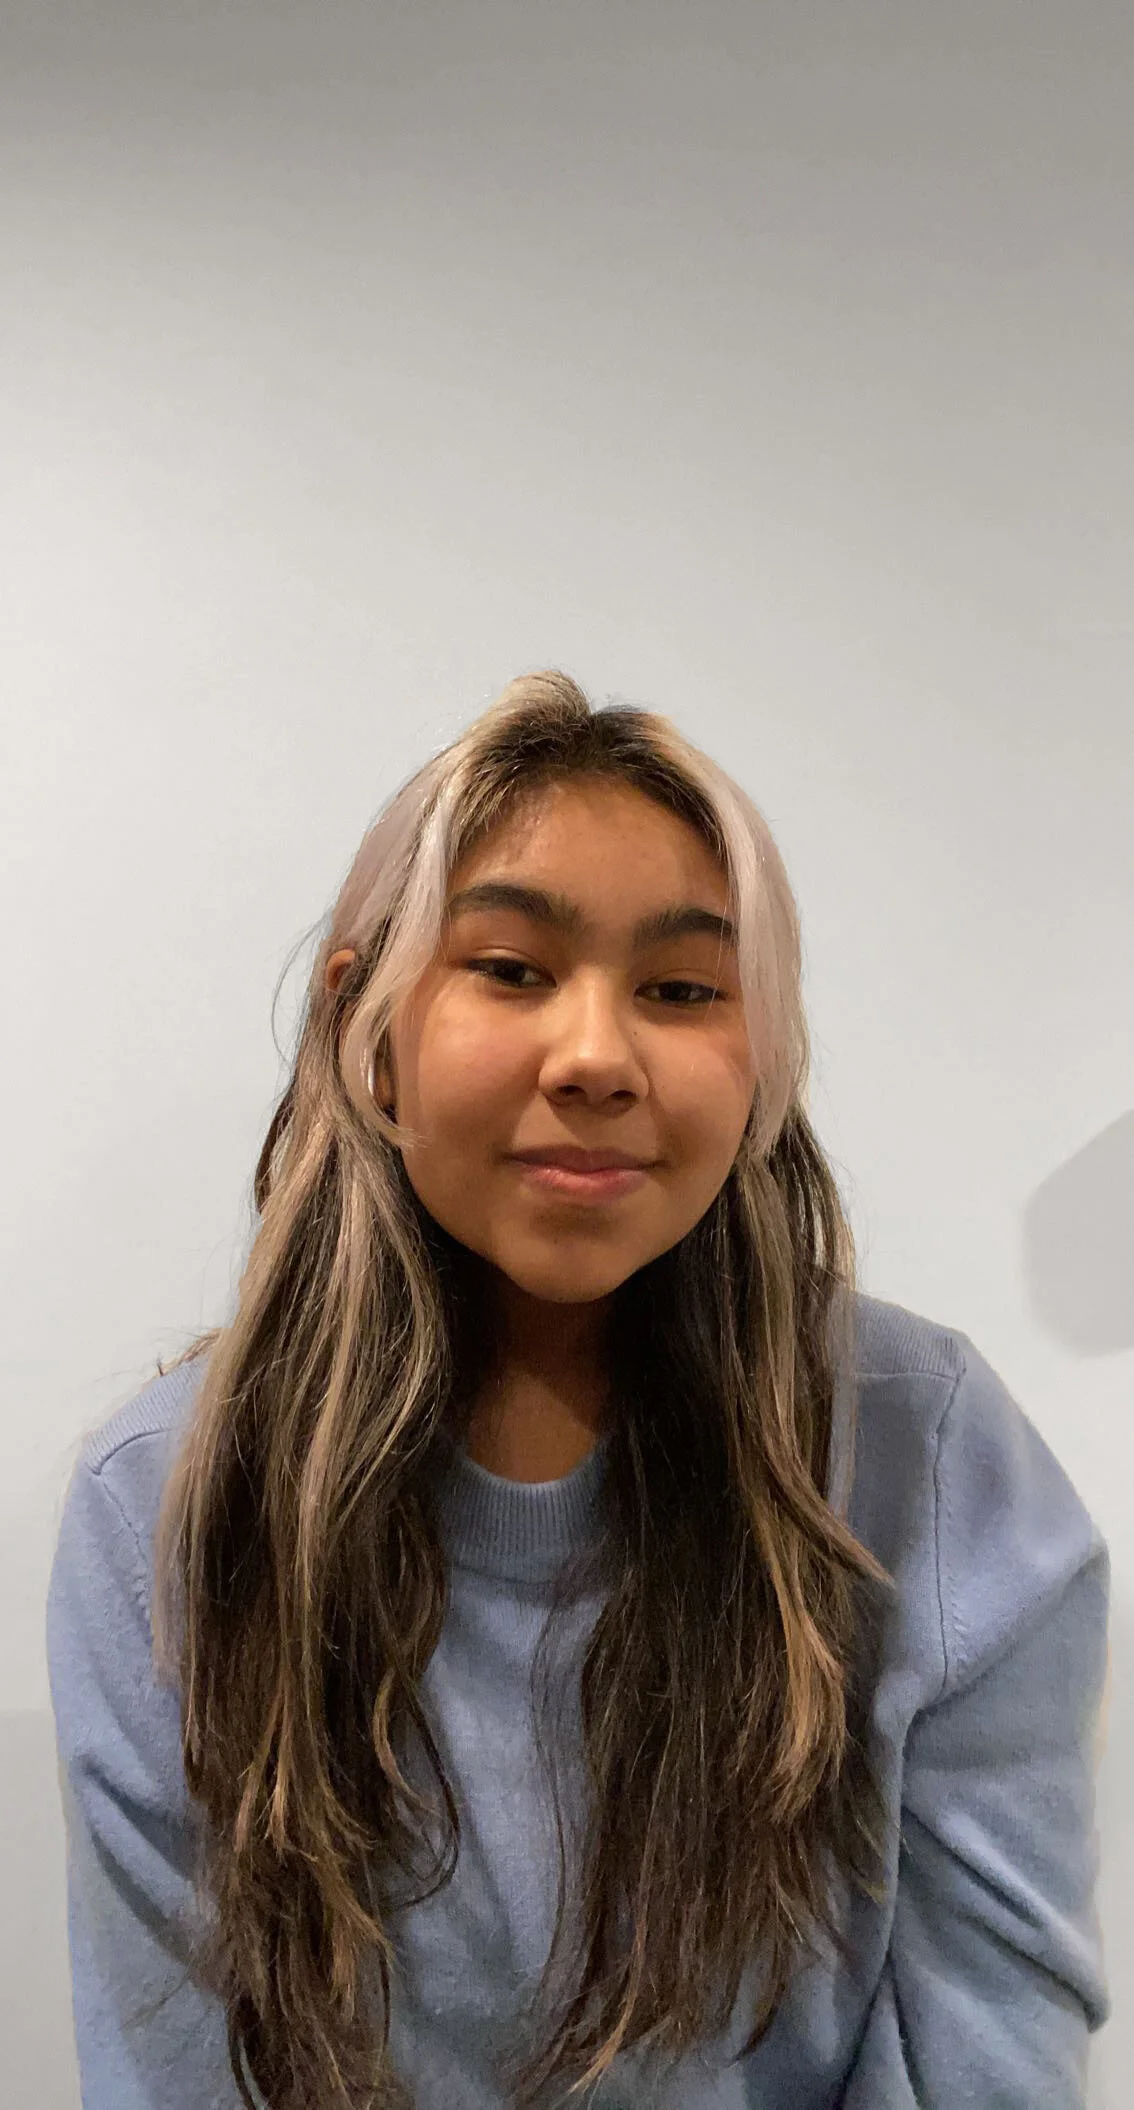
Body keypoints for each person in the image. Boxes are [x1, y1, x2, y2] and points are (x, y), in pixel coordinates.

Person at [46, 669, 1110, 2110]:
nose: (598, 1056)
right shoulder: (166, 1507)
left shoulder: (934, 1465)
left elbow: (989, 2056)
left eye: (682, 990)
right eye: (509, 968)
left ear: (763, 1059)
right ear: (369, 1030)